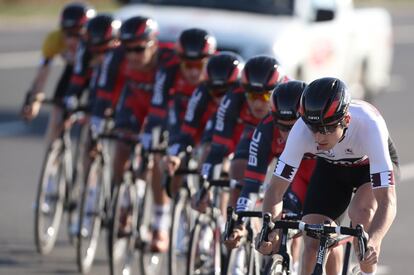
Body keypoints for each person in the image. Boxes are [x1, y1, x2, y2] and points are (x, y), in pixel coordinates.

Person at [257, 77, 399, 275]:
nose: (319, 137)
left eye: (327, 128)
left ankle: (367, 270)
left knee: (362, 215)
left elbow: (387, 201)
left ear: (346, 120)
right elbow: (275, 190)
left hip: (368, 168)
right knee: (312, 239)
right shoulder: (300, 130)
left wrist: (375, 240)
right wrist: (269, 227)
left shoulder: (370, 126)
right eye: (314, 128)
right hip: (332, 168)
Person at [223, 81, 342, 275]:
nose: (288, 134)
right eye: (282, 127)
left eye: (293, 126)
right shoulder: (265, 131)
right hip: (295, 178)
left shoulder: (321, 130)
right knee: (283, 220)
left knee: (325, 237)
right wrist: (240, 221)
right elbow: (252, 183)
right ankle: (290, 265)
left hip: (324, 176)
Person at [142, 27, 217, 252]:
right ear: (179, 60)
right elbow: (157, 108)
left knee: (214, 167)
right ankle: (161, 223)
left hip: (210, 121)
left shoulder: (219, 74)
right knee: (165, 161)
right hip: (181, 119)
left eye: (199, 65)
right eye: (188, 65)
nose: (193, 72)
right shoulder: (169, 71)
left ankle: (211, 225)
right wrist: (151, 136)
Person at [198, 56, 289, 209]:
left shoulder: (290, 96)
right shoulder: (233, 97)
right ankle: (237, 222)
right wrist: (205, 186)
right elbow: (216, 149)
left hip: (283, 136)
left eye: (265, 96)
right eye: (253, 96)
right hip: (253, 132)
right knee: (238, 170)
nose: (258, 103)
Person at [163, 52, 244, 192]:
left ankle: (222, 207)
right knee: (207, 151)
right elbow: (187, 130)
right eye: (216, 92)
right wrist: (175, 154)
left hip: (238, 130)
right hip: (212, 127)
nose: (223, 100)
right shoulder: (201, 92)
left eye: (227, 92)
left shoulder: (245, 99)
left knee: (233, 168)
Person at [21, 2, 96, 141]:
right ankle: (53, 154)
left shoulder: (96, 43)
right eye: (68, 34)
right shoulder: (54, 40)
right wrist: (33, 100)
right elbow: (42, 74)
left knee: (93, 124)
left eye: (78, 35)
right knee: (56, 115)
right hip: (73, 72)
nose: (72, 41)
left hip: (96, 74)